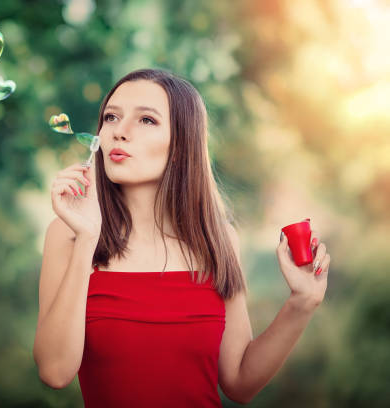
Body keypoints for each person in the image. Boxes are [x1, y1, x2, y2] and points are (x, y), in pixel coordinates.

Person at [32, 68, 331, 407]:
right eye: (111, 117)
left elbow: (239, 382)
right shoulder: (68, 235)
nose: (120, 132)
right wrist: (88, 237)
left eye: (146, 120)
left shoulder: (218, 240)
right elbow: (55, 372)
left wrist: (302, 303)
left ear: (181, 145)